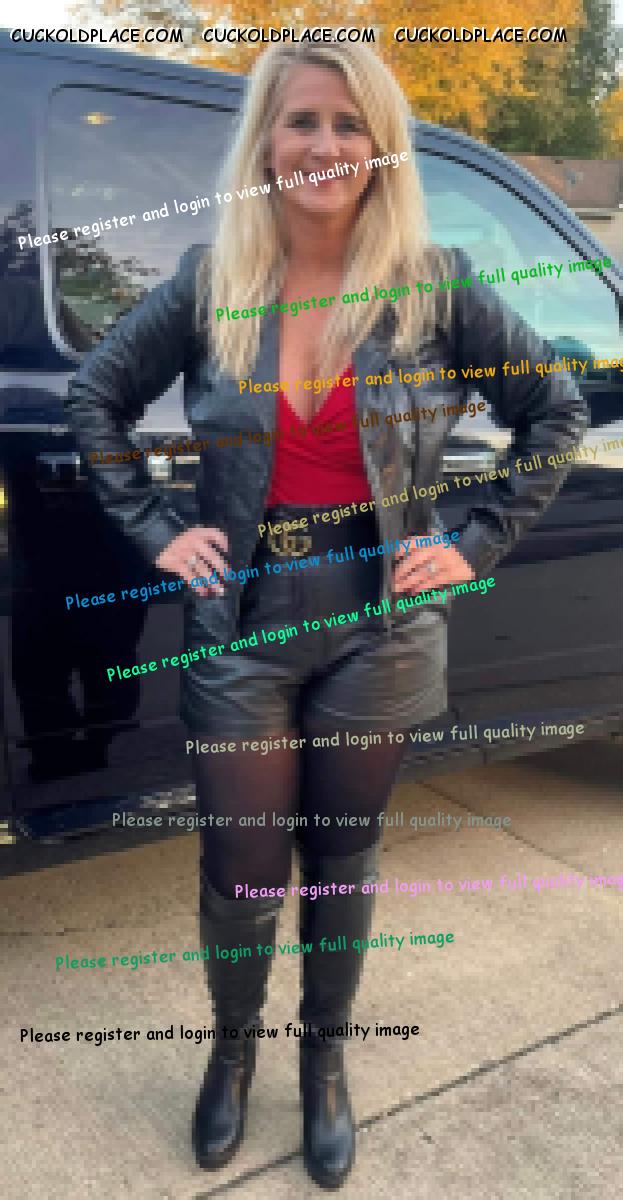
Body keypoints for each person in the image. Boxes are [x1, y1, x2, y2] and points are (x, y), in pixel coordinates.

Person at [65, 41, 587, 1190]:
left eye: (350, 125)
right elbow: (96, 396)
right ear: (264, 141)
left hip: (379, 630)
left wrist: (472, 544)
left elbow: (552, 412)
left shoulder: (434, 280)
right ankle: (232, 1054)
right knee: (241, 862)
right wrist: (156, 531)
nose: (324, 145)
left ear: (382, 146)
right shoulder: (211, 280)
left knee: (341, 856)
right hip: (243, 625)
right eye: (301, 120)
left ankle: (325, 1063)